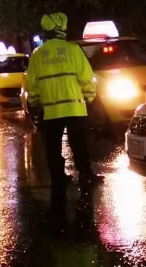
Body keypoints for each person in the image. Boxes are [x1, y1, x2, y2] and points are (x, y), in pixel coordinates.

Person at [25, 12, 101, 190]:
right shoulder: (73, 50)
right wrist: (89, 98)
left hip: (50, 112)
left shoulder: (37, 54)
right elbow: (87, 78)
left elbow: (32, 86)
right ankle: (85, 175)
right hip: (75, 109)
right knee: (79, 145)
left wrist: (36, 104)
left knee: (52, 147)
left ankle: (58, 178)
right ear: (61, 28)